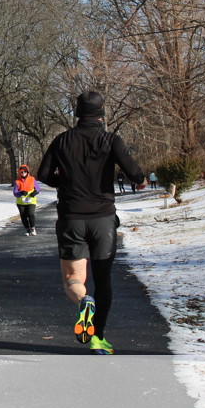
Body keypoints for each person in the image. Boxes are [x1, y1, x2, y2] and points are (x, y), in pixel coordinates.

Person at [36, 91, 146, 355]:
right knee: (103, 280)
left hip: (71, 218)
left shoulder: (62, 140)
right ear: (102, 113)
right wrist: (138, 179)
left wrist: (66, 182)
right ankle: (98, 339)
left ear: (77, 113)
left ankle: (84, 300)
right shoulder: (111, 140)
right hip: (103, 220)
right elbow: (135, 174)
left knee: (73, 278)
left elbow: (43, 175)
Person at [12, 164, 40, 236]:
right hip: (20, 202)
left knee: (30, 214)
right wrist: (21, 192)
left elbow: (38, 188)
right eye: (21, 172)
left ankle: (33, 228)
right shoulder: (17, 182)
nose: (23, 173)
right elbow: (15, 193)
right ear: (19, 173)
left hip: (31, 201)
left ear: (27, 172)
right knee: (23, 216)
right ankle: (28, 229)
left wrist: (35, 192)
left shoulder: (32, 179)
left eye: (25, 171)